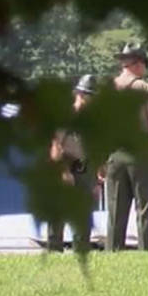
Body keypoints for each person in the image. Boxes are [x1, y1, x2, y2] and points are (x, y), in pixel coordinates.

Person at [106, 42, 148, 251]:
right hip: (141, 154)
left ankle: (112, 252)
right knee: (145, 208)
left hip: (114, 154)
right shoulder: (145, 89)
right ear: (138, 64)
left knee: (115, 210)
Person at [47, 74, 99, 252]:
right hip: (66, 168)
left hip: (86, 170)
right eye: (88, 96)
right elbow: (56, 145)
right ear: (80, 94)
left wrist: (97, 179)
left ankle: (81, 250)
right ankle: (54, 250)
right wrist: (63, 172)